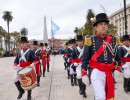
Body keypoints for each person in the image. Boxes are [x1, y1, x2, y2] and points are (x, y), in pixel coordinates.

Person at [81, 13, 121, 100]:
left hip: (109, 72)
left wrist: (118, 68)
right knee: (101, 96)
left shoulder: (113, 40)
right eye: (101, 24)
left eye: (105, 24)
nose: (103, 26)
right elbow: (85, 58)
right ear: (96, 27)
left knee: (108, 96)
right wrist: (84, 74)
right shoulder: (90, 40)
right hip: (96, 72)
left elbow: (118, 56)